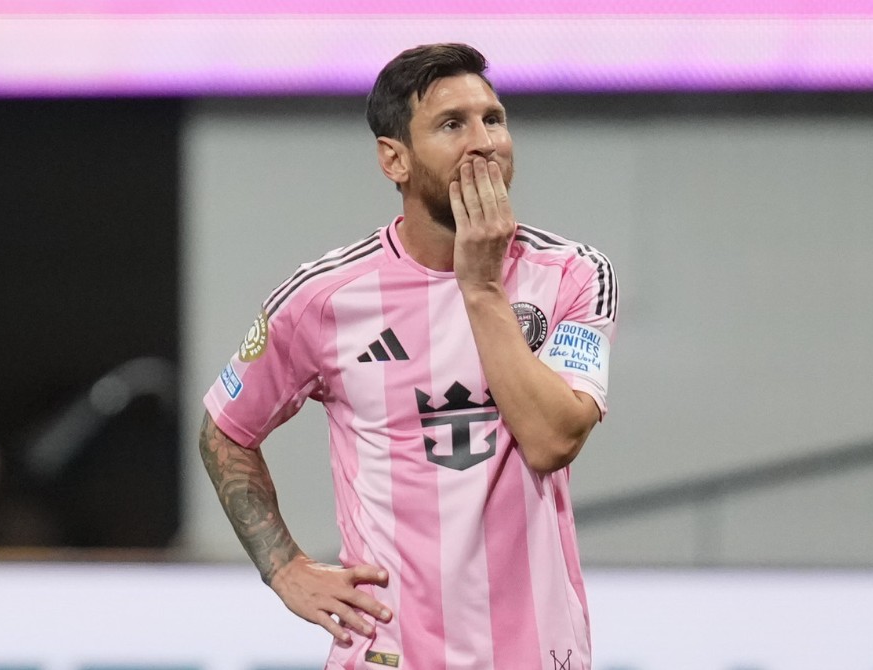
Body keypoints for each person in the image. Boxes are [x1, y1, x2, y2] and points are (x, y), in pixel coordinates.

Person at [200, 44, 617, 669]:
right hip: (391, 655)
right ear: (394, 158)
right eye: (452, 125)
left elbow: (553, 440)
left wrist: (481, 288)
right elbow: (225, 431)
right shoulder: (324, 298)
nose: (484, 143)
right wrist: (284, 568)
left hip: (535, 654)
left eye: (494, 119)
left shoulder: (573, 276)